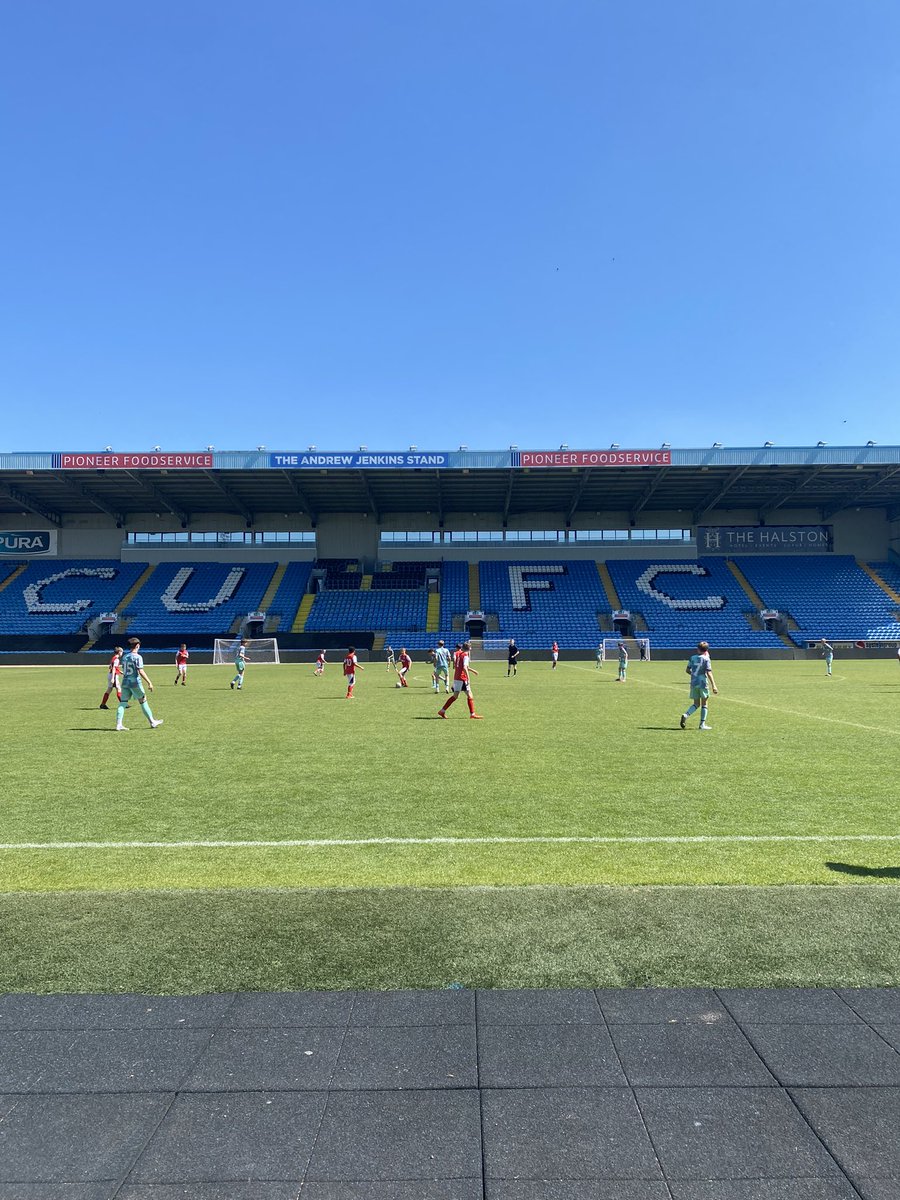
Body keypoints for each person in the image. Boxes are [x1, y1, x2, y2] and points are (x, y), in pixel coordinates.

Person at [115, 637, 163, 731]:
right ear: (137, 646)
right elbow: (140, 671)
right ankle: (152, 721)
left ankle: (118, 724)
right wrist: (149, 682)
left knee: (123, 703)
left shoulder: (125, 657)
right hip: (135, 683)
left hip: (125, 682)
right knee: (143, 700)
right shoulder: (138, 657)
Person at [438, 640, 482, 719]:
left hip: (457, 677)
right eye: (471, 647)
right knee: (470, 695)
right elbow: (465, 668)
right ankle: (472, 714)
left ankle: (442, 711)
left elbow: (461, 666)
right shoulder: (465, 655)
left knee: (455, 696)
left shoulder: (458, 653)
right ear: (469, 648)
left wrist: (473, 671)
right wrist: (468, 678)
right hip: (462, 678)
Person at [680, 641, 718, 731]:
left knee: (696, 704)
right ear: (706, 650)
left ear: (698, 649)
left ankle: (686, 715)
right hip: (703, 683)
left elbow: (687, 670)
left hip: (694, 683)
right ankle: (702, 724)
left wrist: (694, 675)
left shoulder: (692, 658)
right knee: (704, 704)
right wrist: (714, 685)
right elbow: (709, 672)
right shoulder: (706, 659)